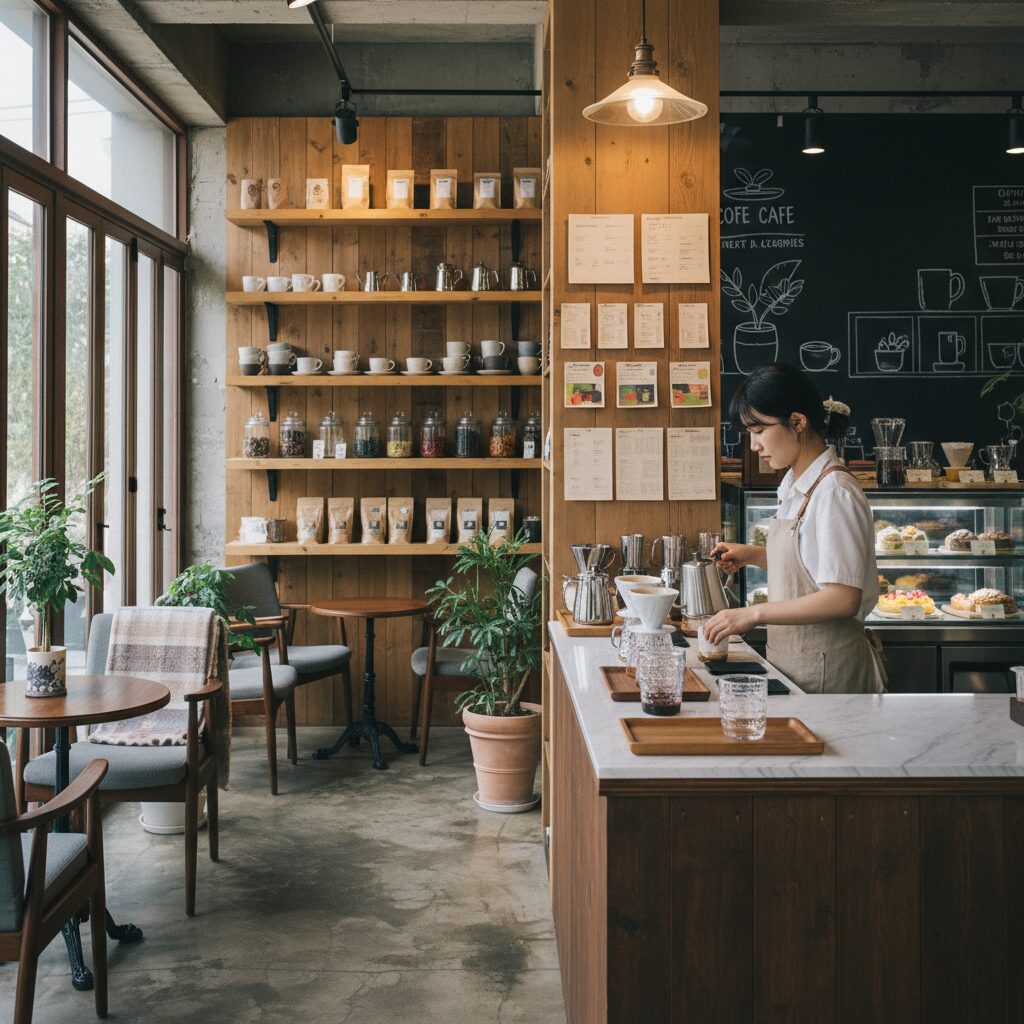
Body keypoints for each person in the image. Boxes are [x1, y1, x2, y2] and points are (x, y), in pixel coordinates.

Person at [704, 363, 885, 694]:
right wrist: (755, 555)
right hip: (799, 666)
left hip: (831, 673)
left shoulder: (834, 491)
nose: (755, 445)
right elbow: (812, 564)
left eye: (759, 431)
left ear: (798, 422)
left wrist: (753, 613)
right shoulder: (798, 484)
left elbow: (842, 597)